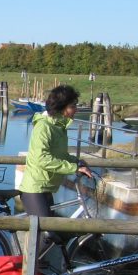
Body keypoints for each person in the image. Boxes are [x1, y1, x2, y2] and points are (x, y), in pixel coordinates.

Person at [19, 85, 93, 255]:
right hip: (34, 188)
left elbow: (60, 155)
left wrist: (77, 162)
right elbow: (41, 158)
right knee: (47, 235)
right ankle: (19, 273)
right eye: (73, 105)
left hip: (46, 187)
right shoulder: (44, 127)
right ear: (62, 107)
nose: (76, 109)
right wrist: (73, 167)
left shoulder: (59, 126)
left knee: (47, 235)